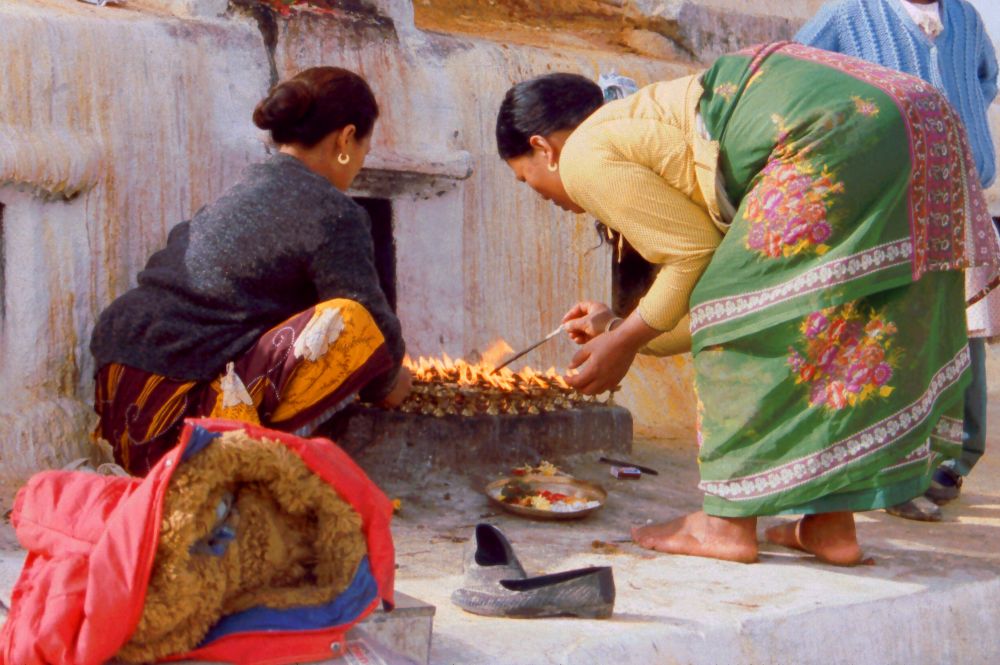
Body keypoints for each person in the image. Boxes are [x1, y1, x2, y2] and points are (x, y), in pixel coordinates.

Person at [496, 42, 999, 565]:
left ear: (544, 147)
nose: (553, 201)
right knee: (838, 316)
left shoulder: (581, 154)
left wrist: (621, 343)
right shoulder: (650, 126)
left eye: (528, 181)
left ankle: (725, 525)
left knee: (736, 303)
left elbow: (697, 265)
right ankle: (830, 526)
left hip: (834, 128)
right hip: (920, 118)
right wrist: (621, 329)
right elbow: (697, 290)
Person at [90, 66, 411, 475]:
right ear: (346, 139)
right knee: (353, 321)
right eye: (363, 149)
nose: (360, 162)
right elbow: (370, 320)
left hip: (116, 388)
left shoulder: (243, 188)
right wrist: (388, 382)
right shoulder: (335, 211)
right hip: (180, 410)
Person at [796, 0, 999, 521]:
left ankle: (950, 461)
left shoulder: (965, 17)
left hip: (959, 197)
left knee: (962, 329)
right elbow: (797, 75)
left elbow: (985, 77)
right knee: (894, 331)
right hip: (889, 200)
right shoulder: (848, 16)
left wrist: (957, 129)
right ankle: (892, 472)